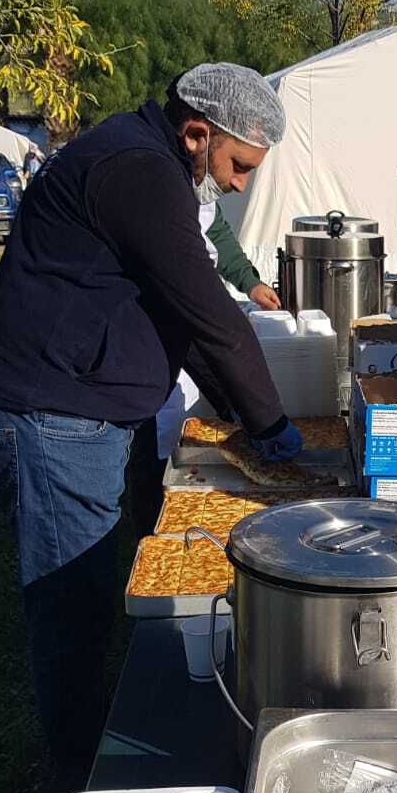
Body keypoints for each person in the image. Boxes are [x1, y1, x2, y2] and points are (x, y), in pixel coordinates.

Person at [0, 63, 301, 793]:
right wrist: (270, 424)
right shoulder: (140, 172)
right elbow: (209, 311)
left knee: (85, 588)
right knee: (71, 599)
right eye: (238, 165)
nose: (240, 184)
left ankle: (84, 743)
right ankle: (80, 779)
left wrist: (240, 412)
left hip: (73, 396)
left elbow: (182, 316)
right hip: (47, 409)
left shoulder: (149, 161)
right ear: (197, 134)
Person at [126, 190, 287, 537]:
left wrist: (250, 281)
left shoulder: (203, 188)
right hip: (152, 324)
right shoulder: (151, 185)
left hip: (188, 315)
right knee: (152, 439)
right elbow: (212, 328)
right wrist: (259, 415)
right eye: (238, 166)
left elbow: (217, 231)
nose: (241, 184)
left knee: (209, 417)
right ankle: (154, 533)